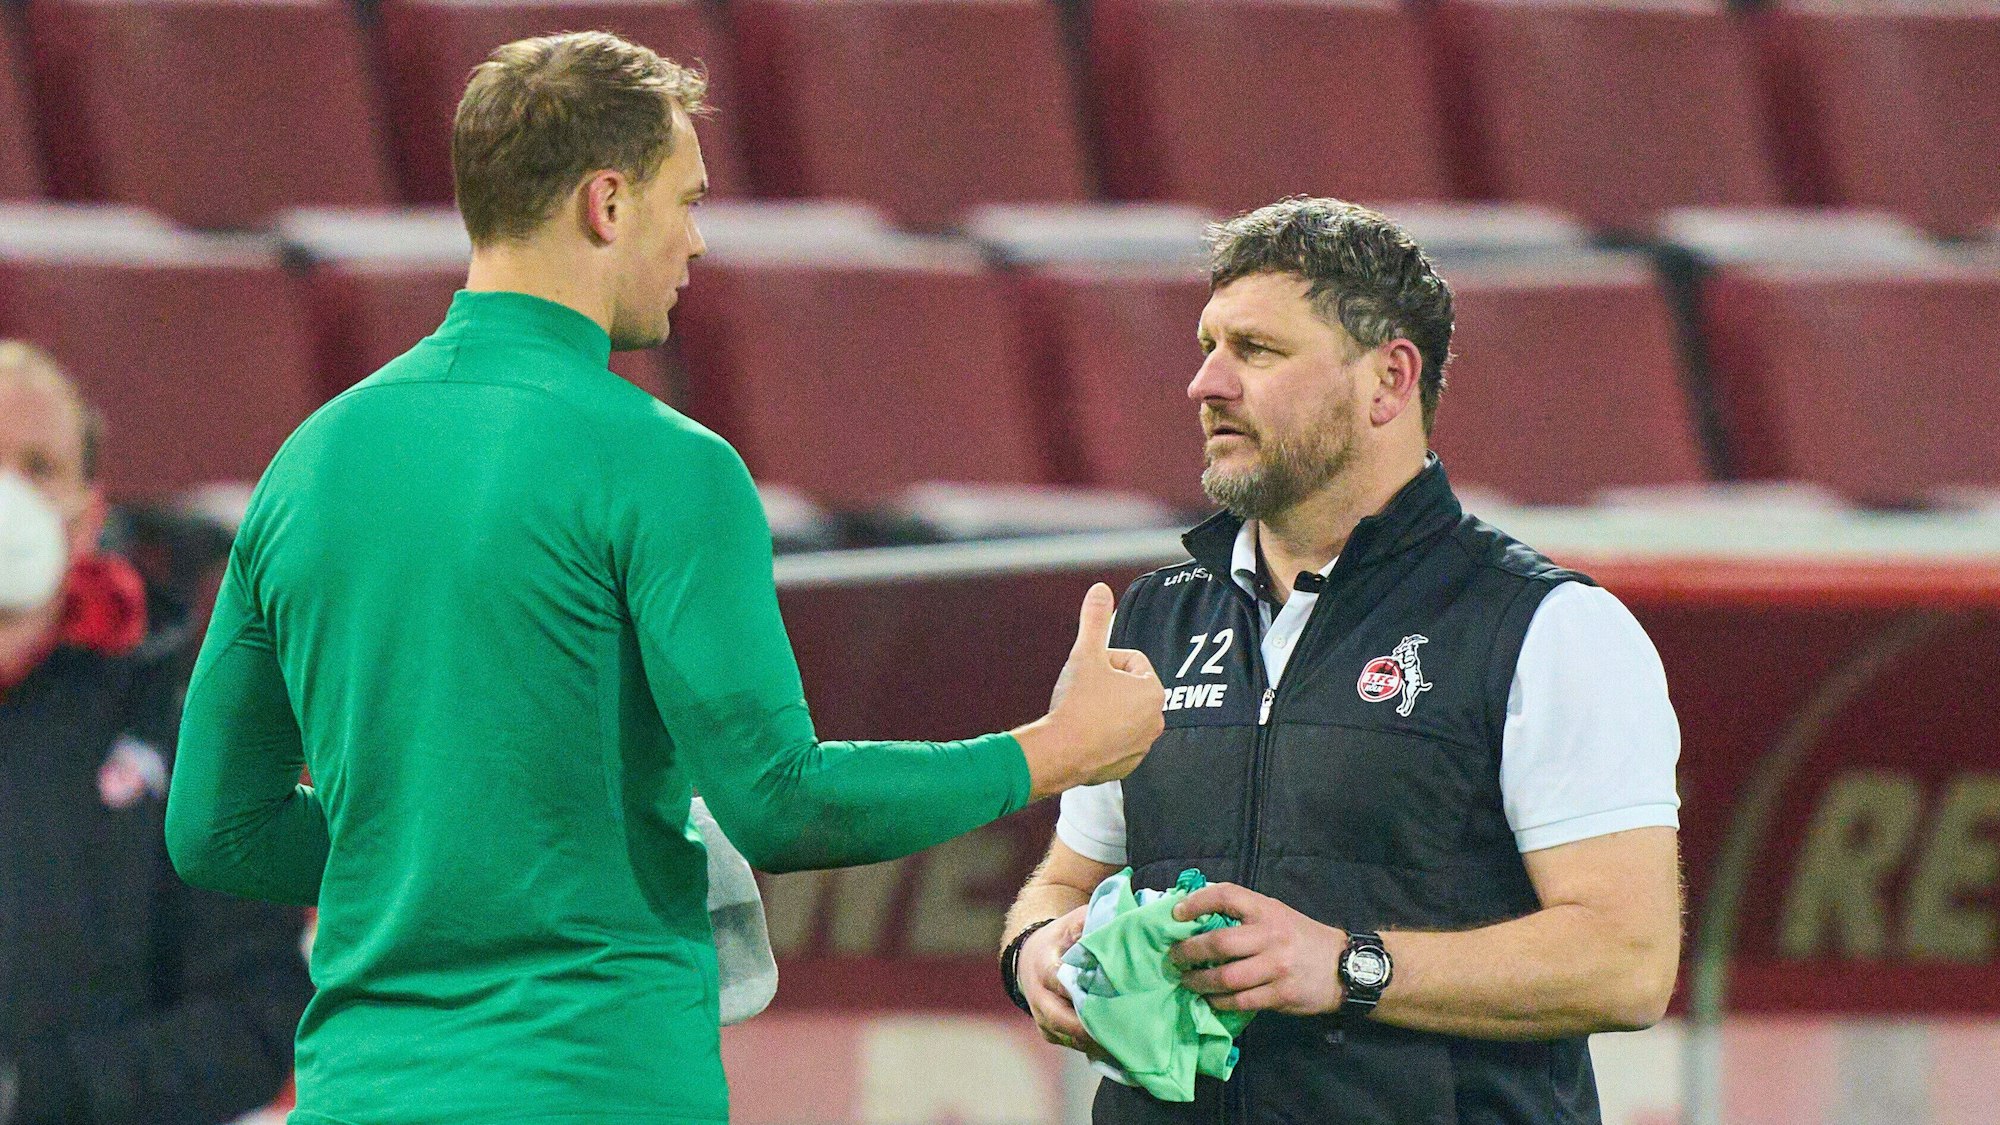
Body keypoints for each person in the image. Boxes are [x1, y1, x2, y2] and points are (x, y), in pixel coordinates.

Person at [164, 31, 1164, 1125]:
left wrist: (436, 858)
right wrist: (1055, 750)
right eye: (683, 200)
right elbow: (783, 804)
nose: (694, 241)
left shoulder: (306, 464)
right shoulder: (666, 466)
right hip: (595, 1084)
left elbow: (218, 829)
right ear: (605, 203)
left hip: (360, 1090)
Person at [1000, 198, 1682, 1123]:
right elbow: (1067, 879)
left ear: (1389, 381)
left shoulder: (1548, 627)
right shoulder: (1151, 621)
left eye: (1257, 350)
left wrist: (1348, 964)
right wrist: (1036, 952)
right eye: (1207, 345)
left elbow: (1627, 962)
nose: (1205, 383)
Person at [0, 342, 311, 1125]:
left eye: (37, 467)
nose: (8, 495)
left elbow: (258, 1013)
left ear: (89, 515)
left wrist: (29, 1094)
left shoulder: (178, 724)